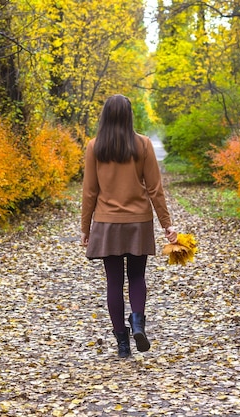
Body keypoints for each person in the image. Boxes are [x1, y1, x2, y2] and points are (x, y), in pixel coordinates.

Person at [81, 94, 177, 358]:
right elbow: (155, 189)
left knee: (114, 281)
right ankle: (137, 323)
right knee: (136, 277)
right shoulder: (143, 145)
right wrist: (167, 225)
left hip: (107, 223)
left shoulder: (94, 147)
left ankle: (122, 344)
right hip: (138, 221)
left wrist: (85, 228)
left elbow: (89, 192)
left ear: (105, 116)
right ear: (129, 115)